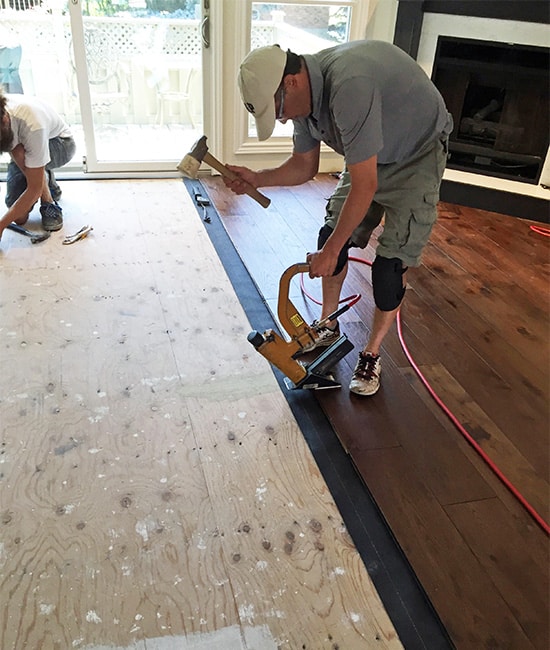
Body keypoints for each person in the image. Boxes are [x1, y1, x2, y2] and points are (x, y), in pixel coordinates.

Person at [224, 40, 452, 397]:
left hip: (416, 154)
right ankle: (327, 327)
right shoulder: (305, 102)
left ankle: (371, 353)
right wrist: (258, 178)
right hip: (374, 157)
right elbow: (304, 166)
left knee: (388, 268)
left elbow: (365, 184)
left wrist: (331, 252)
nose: (281, 118)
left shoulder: (349, 87)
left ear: (291, 82)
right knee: (330, 236)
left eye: (278, 109)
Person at [0, 88, 76, 240]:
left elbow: (34, 190)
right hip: (25, 146)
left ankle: (48, 201)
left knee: (21, 153)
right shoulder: (5, 121)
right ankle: (43, 173)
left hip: (60, 143)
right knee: (20, 218)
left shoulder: (31, 124)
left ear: (4, 120)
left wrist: (1, 226)